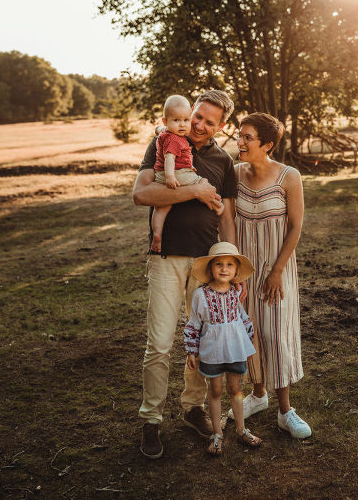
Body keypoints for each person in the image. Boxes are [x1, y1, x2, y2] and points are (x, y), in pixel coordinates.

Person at [132, 90, 237, 459]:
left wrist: (232, 263)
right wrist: (195, 189)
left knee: (203, 341)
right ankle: (151, 419)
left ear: (221, 126)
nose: (201, 125)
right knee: (160, 343)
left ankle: (193, 408)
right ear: (188, 113)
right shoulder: (161, 143)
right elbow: (142, 195)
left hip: (205, 262)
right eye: (198, 116)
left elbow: (226, 217)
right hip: (165, 259)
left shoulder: (223, 160)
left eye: (211, 121)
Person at [227, 112, 311, 439]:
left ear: (267, 144)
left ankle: (285, 410)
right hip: (244, 271)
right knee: (250, 334)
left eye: (248, 137)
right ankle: (258, 395)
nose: (241, 142)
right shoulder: (233, 174)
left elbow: (295, 226)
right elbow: (229, 222)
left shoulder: (289, 176)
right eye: (240, 135)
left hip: (277, 269)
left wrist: (277, 271)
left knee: (276, 333)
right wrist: (233, 271)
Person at [183, 242, 263, 455]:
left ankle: (241, 429)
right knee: (216, 389)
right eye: (219, 264)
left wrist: (247, 338)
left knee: (235, 389)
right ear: (210, 269)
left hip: (234, 348)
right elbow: (194, 324)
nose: (224, 269)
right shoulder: (201, 295)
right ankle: (217, 434)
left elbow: (241, 317)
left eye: (229, 264)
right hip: (212, 350)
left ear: (236, 270)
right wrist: (192, 350)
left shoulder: (235, 292)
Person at [150, 95, 224, 253]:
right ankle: (217, 204)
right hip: (177, 173)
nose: (183, 125)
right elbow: (170, 158)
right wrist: (171, 177)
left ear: (220, 126)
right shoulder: (176, 139)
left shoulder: (164, 133)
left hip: (160, 175)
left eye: (185, 120)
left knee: (161, 209)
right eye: (177, 121)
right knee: (202, 182)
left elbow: (160, 129)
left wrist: (163, 127)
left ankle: (157, 233)